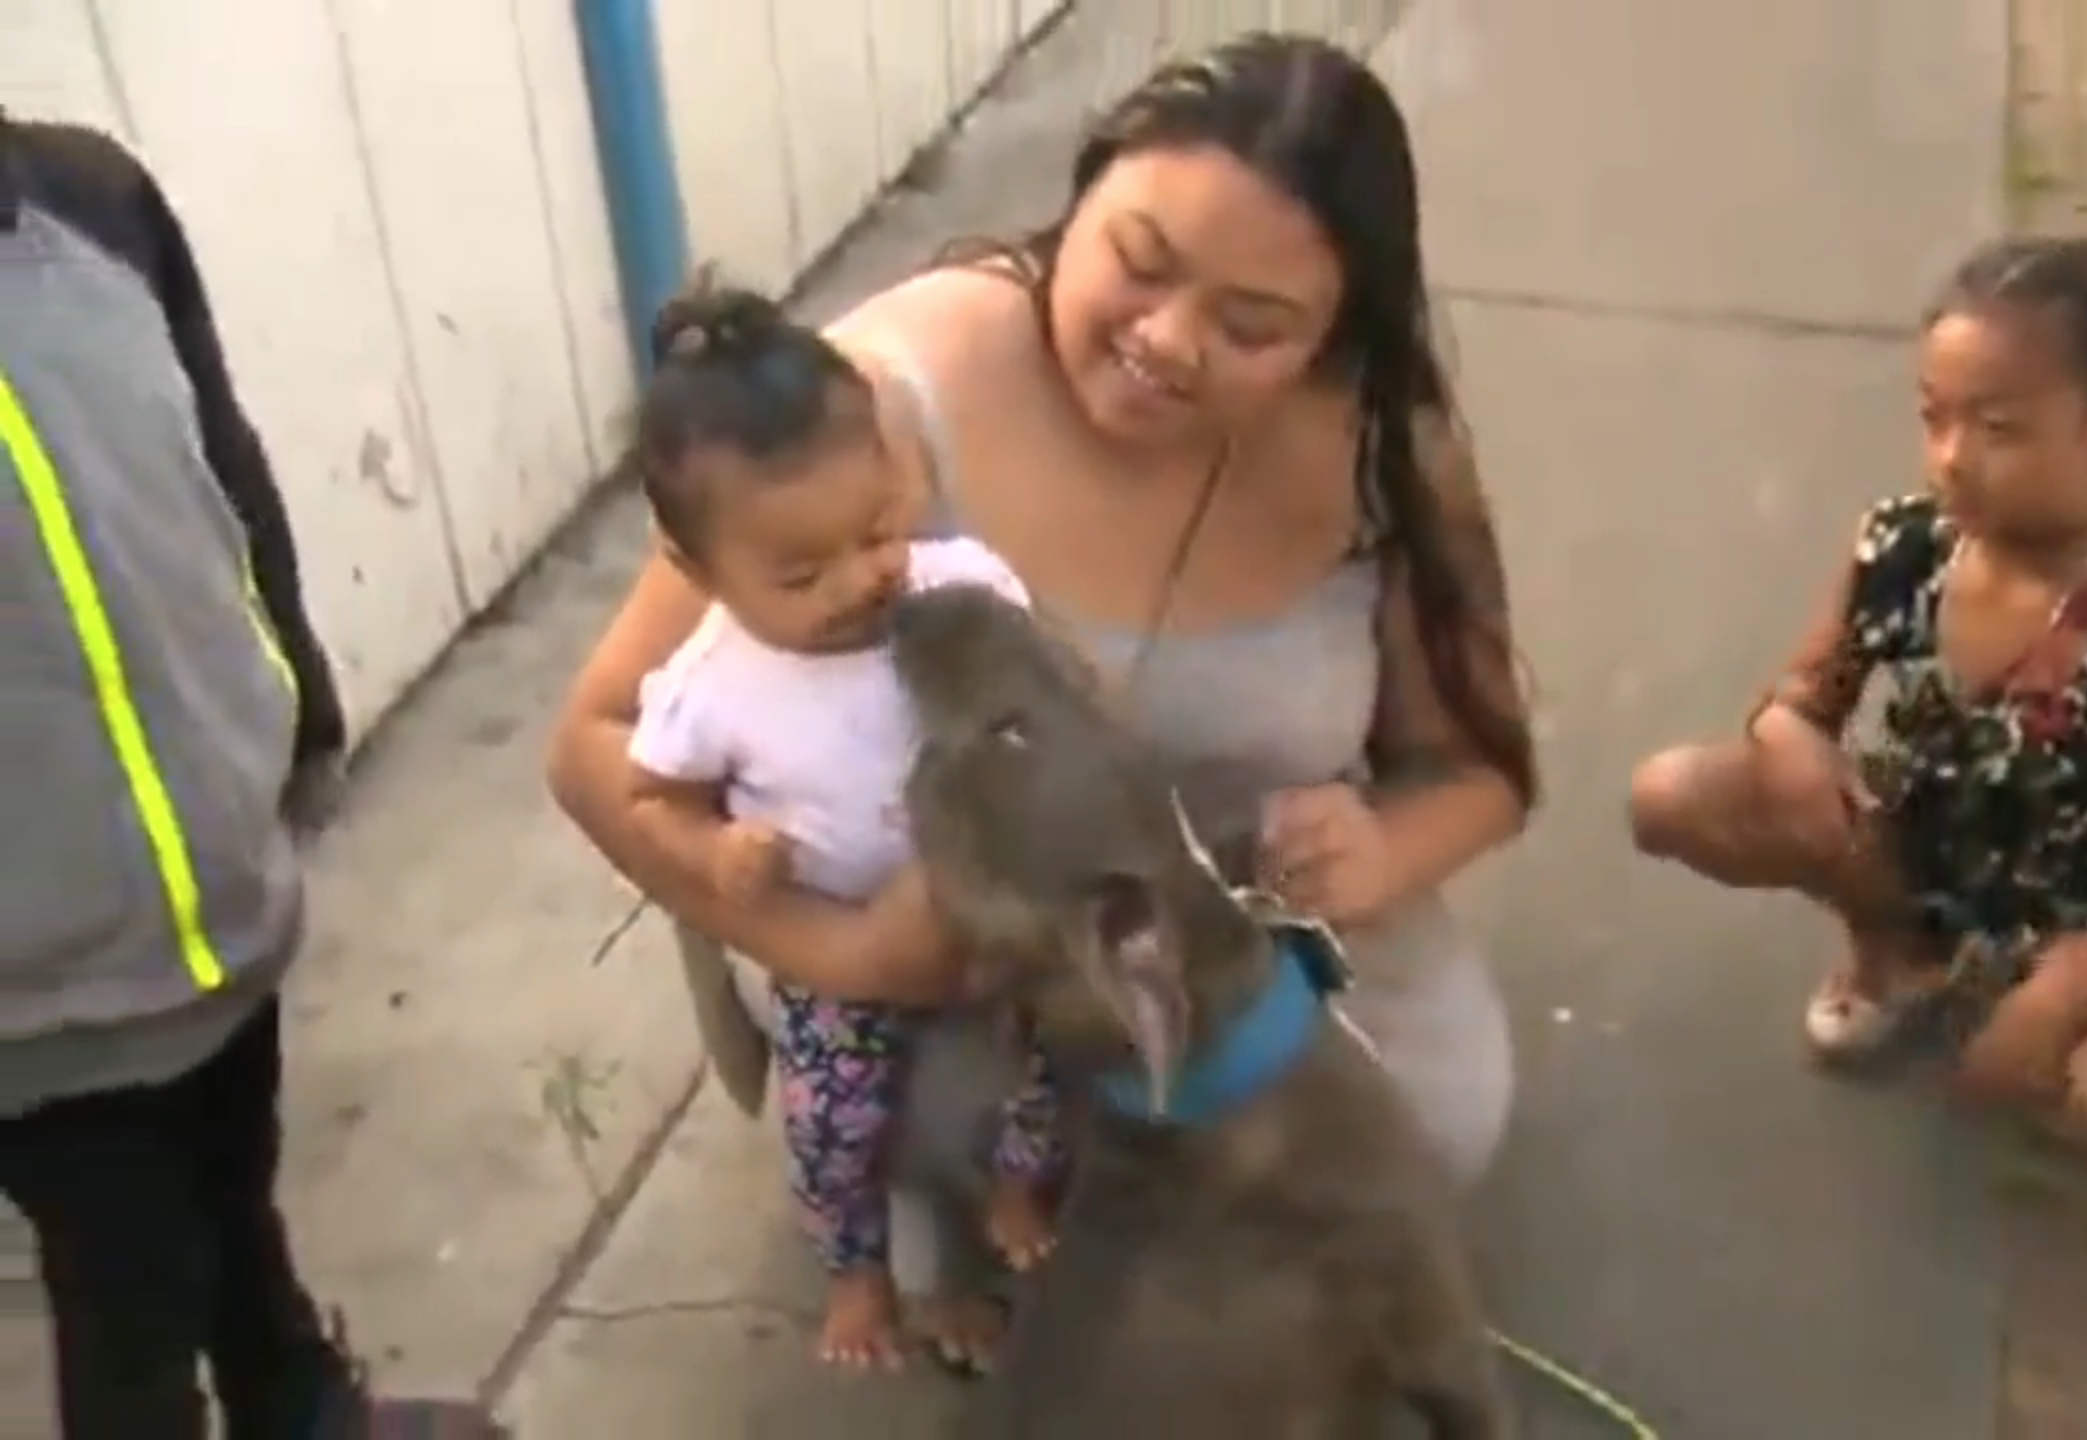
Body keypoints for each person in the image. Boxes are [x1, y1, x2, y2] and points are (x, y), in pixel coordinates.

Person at [546, 33, 1533, 1369]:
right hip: (961, 970)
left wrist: (1389, 847)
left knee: (1433, 1122)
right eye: (1138, 261)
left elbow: (1482, 770)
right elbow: (596, 743)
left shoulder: (1384, 455)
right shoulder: (881, 401)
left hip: (1235, 940)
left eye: (1254, 327)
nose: (1168, 344)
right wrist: (843, 957)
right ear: (1079, 204)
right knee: (1008, 1130)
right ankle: (932, 1212)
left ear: (1336, 336)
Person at [0, 114, 504, 1435]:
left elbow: (222, 466)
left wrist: (300, 722)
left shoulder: (87, 201)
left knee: (234, 1185)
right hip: (35, 997)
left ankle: (298, 1406)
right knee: (130, 1302)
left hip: (219, 886)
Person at [1627, 235, 2087, 1178]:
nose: (1953, 459)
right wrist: (1789, 735)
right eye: (1935, 419)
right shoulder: (1905, 546)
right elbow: (1805, 691)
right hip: (1919, 853)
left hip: (2084, 914)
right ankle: (1899, 954)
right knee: (1673, 794)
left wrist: (2060, 995)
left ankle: (2049, 1035)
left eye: (2000, 429)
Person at [615, 281, 1064, 1370]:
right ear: (698, 570)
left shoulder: (965, 591)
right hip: (836, 954)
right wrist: (715, 855)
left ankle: (1021, 1184)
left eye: (876, 531)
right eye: (802, 572)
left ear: (898, 475)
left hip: (993, 913)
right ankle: (855, 1270)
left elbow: (1045, 701)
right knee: (831, 1122)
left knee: (1058, 1055)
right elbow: (648, 798)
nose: (860, 582)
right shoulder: (713, 682)